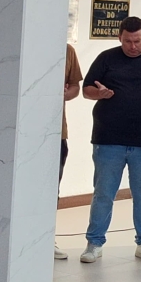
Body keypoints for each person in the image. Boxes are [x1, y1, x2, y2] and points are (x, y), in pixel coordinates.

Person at [79, 17, 141, 264]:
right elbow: (86, 90)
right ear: (119, 38)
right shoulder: (106, 58)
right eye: (127, 41)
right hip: (109, 139)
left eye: (137, 41)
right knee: (104, 193)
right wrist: (99, 93)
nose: (133, 46)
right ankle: (94, 243)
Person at [57, 42, 83, 260]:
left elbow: (75, 86)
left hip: (56, 134)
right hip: (21, 135)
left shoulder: (67, 51)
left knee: (50, 191)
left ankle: (46, 237)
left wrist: (64, 94)